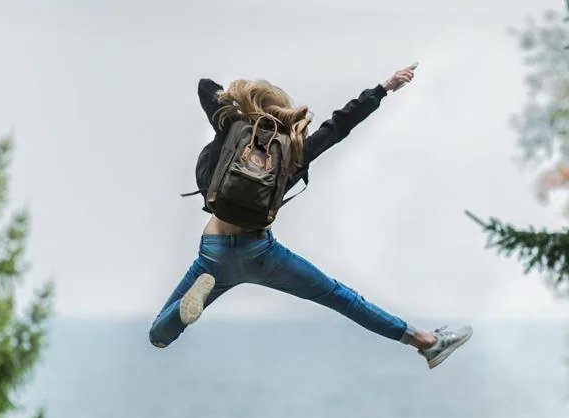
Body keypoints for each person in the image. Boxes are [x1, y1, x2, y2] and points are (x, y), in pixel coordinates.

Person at [149, 64, 472, 369]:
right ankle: (427, 342)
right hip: (260, 253)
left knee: (158, 336)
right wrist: (384, 88)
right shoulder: (293, 150)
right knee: (341, 297)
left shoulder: (231, 128)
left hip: (214, 252)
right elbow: (339, 126)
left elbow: (205, 87)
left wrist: (240, 108)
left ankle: (182, 312)